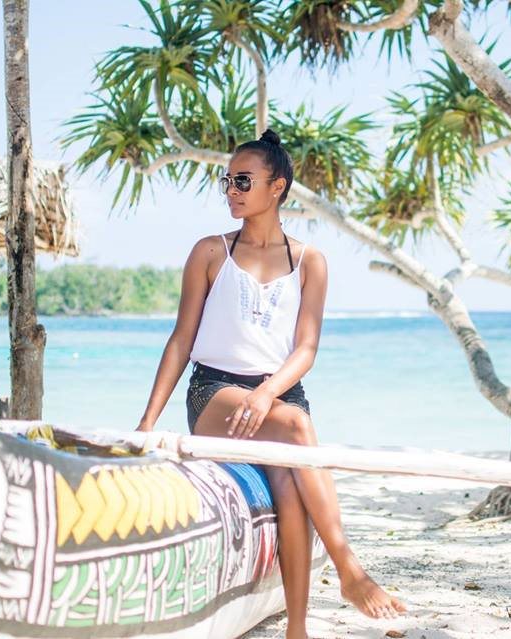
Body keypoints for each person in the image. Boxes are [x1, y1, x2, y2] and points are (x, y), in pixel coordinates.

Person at [136, 129, 406, 638]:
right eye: (227, 181)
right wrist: (148, 422)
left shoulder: (310, 262)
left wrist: (266, 393)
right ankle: (349, 570)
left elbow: (305, 349)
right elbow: (181, 340)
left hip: (279, 396)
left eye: (243, 180)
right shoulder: (210, 252)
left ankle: (296, 628)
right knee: (298, 428)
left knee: (289, 482)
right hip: (215, 394)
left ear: (277, 186)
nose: (231, 190)